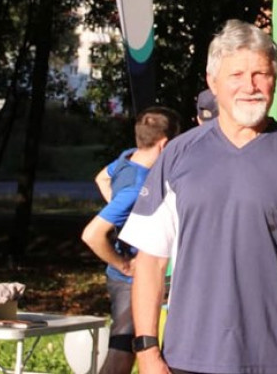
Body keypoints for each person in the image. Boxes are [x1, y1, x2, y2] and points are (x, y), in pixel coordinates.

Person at [120, 20, 277, 374]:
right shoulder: (178, 156)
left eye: (261, 74)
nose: (250, 86)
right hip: (185, 358)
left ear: (274, 79)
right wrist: (147, 352)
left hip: (276, 359)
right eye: (236, 74)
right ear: (213, 81)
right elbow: (150, 263)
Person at [81, 105, 181, 374]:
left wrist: (125, 219)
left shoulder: (127, 159)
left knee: (133, 346)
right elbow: (92, 235)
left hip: (138, 275)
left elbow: (101, 177)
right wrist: (124, 264)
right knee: (123, 352)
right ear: (164, 145)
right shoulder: (139, 186)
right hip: (129, 279)